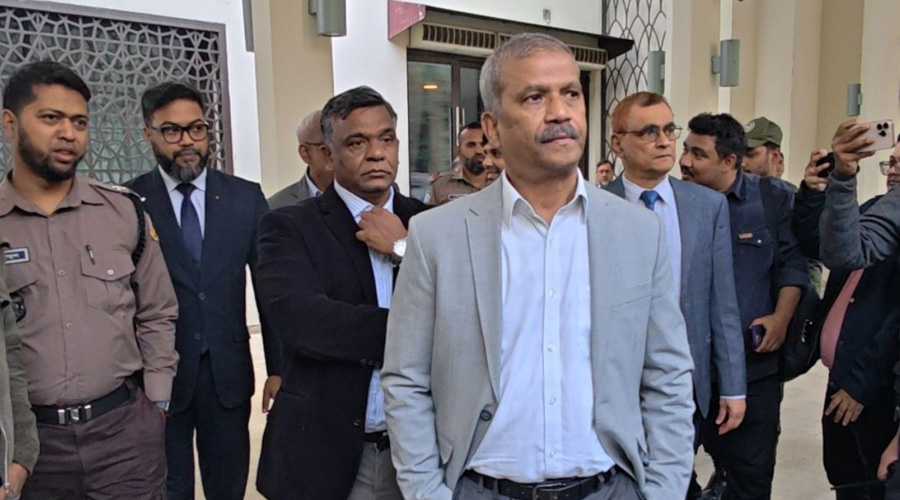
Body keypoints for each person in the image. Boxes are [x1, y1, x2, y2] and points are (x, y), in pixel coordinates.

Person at [382, 33, 695, 500]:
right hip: (481, 489)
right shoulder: (438, 236)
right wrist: (427, 491)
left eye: (571, 93)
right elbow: (406, 379)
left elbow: (667, 374)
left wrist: (664, 490)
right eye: (534, 97)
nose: (560, 112)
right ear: (492, 127)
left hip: (610, 488)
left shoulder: (637, 232)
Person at [0, 60, 178, 498]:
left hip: (123, 437)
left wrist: (157, 402)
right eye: (50, 118)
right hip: (31, 448)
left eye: (79, 122)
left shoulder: (122, 211)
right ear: (9, 123)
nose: (69, 133)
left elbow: (157, 310)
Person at [255, 86, 427, 500]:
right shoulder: (289, 226)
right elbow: (307, 323)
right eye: (357, 142)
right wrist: (423, 331)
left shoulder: (430, 224)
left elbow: (466, 316)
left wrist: (404, 249)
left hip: (417, 452)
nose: (376, 153)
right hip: (326, 454)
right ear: (329, 155)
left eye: (386, 139)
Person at [127, 82, 271, 500]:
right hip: (157, 376)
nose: (187, 141)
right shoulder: (129, 202)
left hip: (227, 372)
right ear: (148, 134)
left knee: (227, 485)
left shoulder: (245, 198)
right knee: (168, 487)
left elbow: (268, 287)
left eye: (196, 128)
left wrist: (280, 367)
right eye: (172, 131)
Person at [604, 91, 746, 499]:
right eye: (649, 132)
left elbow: (722, 303)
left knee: (675, 483)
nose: (665, 141)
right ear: (618, 143)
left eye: (669, 129)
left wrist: (733, 386)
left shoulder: (707, 206)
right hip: (613, 385)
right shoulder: (596, 207)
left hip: (684, 383)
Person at [680, 112, 808, 500]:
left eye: (698, 154)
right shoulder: (674, 202)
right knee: (671, 478)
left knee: (749, 480)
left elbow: (793, 265)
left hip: (753, 371)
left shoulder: (771, 199)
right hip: (686, 374)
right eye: (685, 150)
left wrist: (781, 318)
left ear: (729, 161)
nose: (684, 162)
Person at [794, 144, 900, 499]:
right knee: (844, 474)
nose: (894, 170)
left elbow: (895, 324)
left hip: (874, 387)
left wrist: (861, 383)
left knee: (874, 480)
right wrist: (814, 193)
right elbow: (818, 244)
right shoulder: (873, 210)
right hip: (840, 375)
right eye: (892, 162)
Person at [267, 110, 333, 209]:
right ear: (305, 153)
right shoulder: (277, 207)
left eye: (350, 144)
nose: (339, 153)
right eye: (327, 147)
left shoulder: (358, 197)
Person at [424, 122, 488, 205]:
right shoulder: (440, 186)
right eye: (471, 145)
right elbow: (428, 213)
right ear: (458, 151)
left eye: (483, 144)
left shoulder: (502, 181)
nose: (479, 151)